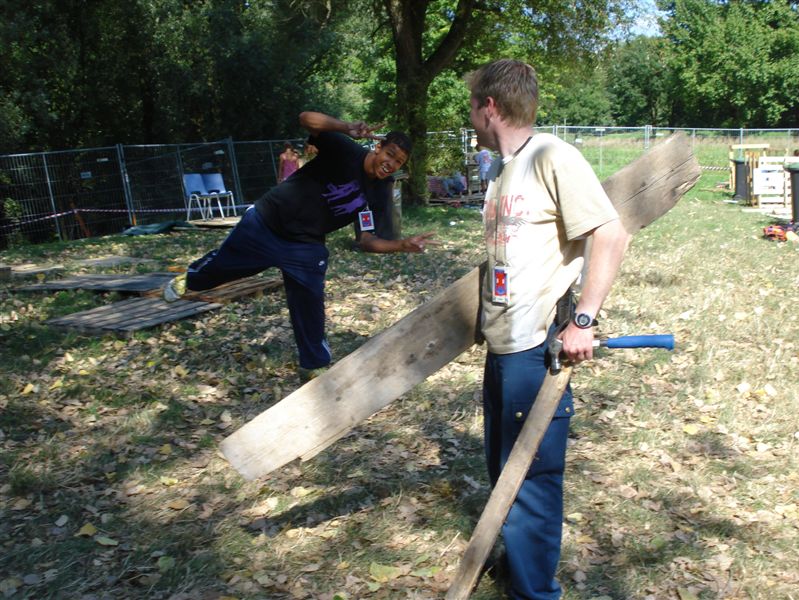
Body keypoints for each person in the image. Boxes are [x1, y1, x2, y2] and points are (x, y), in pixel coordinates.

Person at [467, 59, 629, 599]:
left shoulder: (551, 155)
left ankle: (535, 593)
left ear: (490, 106)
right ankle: (518, 570)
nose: (470, 116)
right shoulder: (501, 170)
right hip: (501, 347)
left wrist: (583, 319)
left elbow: (610, 234)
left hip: (535, 351)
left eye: (472, 106)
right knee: (502, 469)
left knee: (531, 480)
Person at [164, 111, 437, 379]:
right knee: (221, 270)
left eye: (398, 161)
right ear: (378, 147)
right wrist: (345, 127)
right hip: (267, 222)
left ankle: (314, 365)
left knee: (310, 299)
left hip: (304, 244)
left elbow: (367, 240)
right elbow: (305, 118)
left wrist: (401, 244)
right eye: (389, 154)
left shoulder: (380, 189)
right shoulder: (346, 149)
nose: (391, 163)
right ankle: (190, 278)